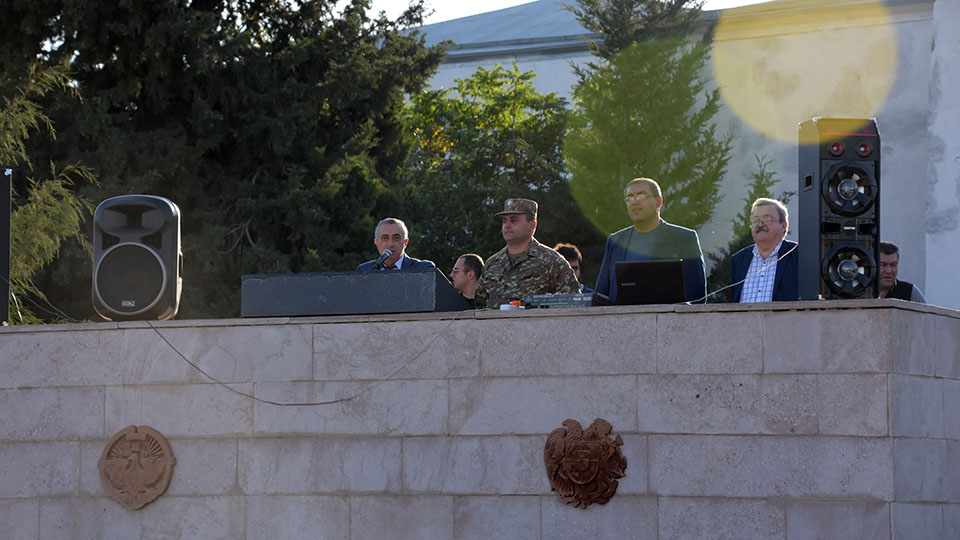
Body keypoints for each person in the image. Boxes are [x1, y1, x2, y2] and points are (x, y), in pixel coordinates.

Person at [594, 178, 706, 303]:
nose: (634, 202)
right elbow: (601, 294)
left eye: (641, 196)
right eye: (629, 197)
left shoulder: (683, 238)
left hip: (667, 315)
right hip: (620, 315)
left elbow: (697, 296)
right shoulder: (615, 240)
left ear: (658, 201)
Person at [474, 198, 579, 308]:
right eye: (504, 221)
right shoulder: (492, 264)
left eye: (514, 220)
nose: (507, 225)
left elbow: (574, 304)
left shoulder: (552, 262)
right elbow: (479, 308)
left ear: (532, 225)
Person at [730, 198, 799, 302]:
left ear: (783, 226)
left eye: (767, 219)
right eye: (755, 220)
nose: (760, 224)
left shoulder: (798, 255)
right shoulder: (739, 260)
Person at [357, 218, 435, 272]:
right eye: (385, 238)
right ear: (376, 242)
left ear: (405, 242)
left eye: (396, 238)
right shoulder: (365, 271)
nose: (390, 244)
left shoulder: (423, 269)